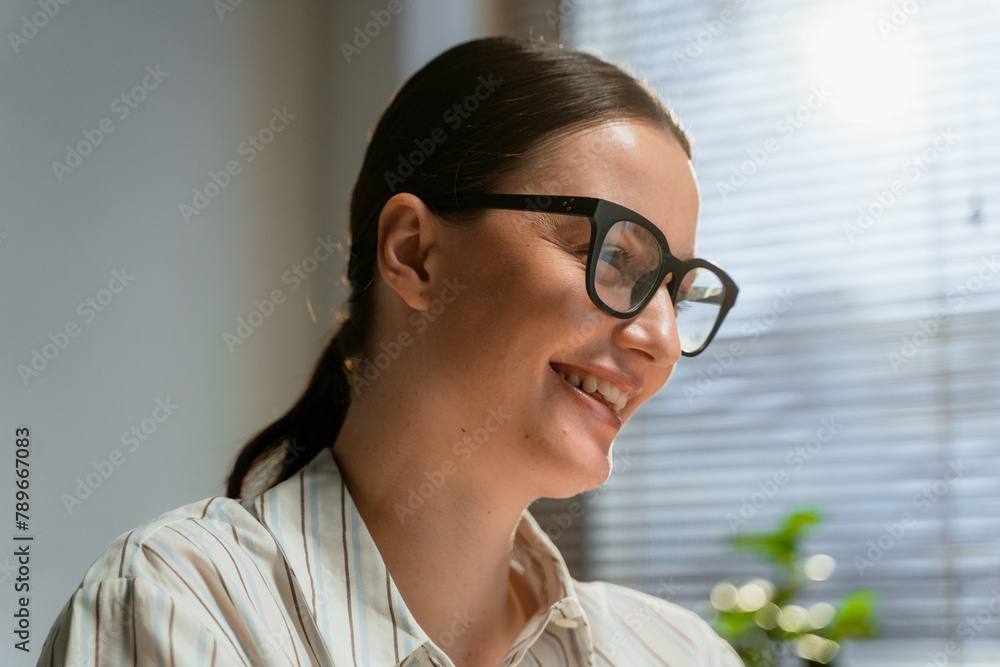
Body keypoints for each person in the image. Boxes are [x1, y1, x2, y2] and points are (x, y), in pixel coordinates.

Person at [39, 36, 741, 666]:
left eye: (675, 294)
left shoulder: (681, 653)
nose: (662, 339)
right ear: (413, 252)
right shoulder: (177, 605)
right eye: (613, 256)